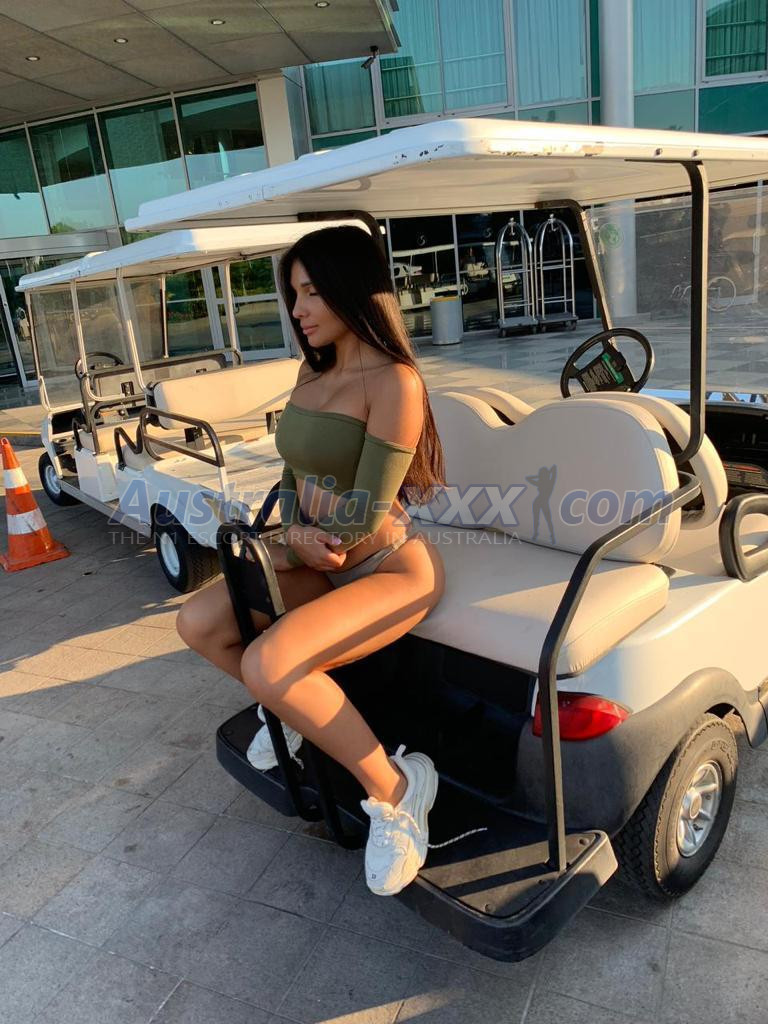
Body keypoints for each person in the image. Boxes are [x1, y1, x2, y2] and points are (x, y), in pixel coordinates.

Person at [177, 225, 446, 896]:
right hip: (318, 558)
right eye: (293, 293)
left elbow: (365, 514)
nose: (297, 310)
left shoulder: (395, 381)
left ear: (353, 290)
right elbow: (293, 471)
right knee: (199, 622)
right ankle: (295, 719)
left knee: (269, 663)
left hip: (388, 567)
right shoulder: (312, 371)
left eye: (312, 292)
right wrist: (294, 530)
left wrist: (297, 541)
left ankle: (398, 789)